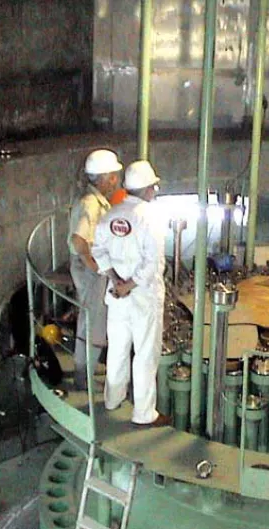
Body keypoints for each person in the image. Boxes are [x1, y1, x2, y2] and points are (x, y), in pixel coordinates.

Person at [91, 160, 170, 427]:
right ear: (148, 189)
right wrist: (131, 284)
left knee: (118, 349)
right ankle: (144, 414)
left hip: (117, 297)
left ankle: (113, 400)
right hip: (142, 299)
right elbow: (154, 263)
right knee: (145, 354)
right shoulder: (151, 218)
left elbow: (98, 252)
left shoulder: (110, 215)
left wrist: (116, 279)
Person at [69, 149, 123, 390]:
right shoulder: (91, 205)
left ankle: (85, 376)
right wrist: (97, 267)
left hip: (91, 271)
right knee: (91, 324)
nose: (116, 181)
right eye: (113, 176)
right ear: (103, 178)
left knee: (92, 323)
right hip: (90, 273)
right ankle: (83, 380)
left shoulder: (97, 202)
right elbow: (78, 241)